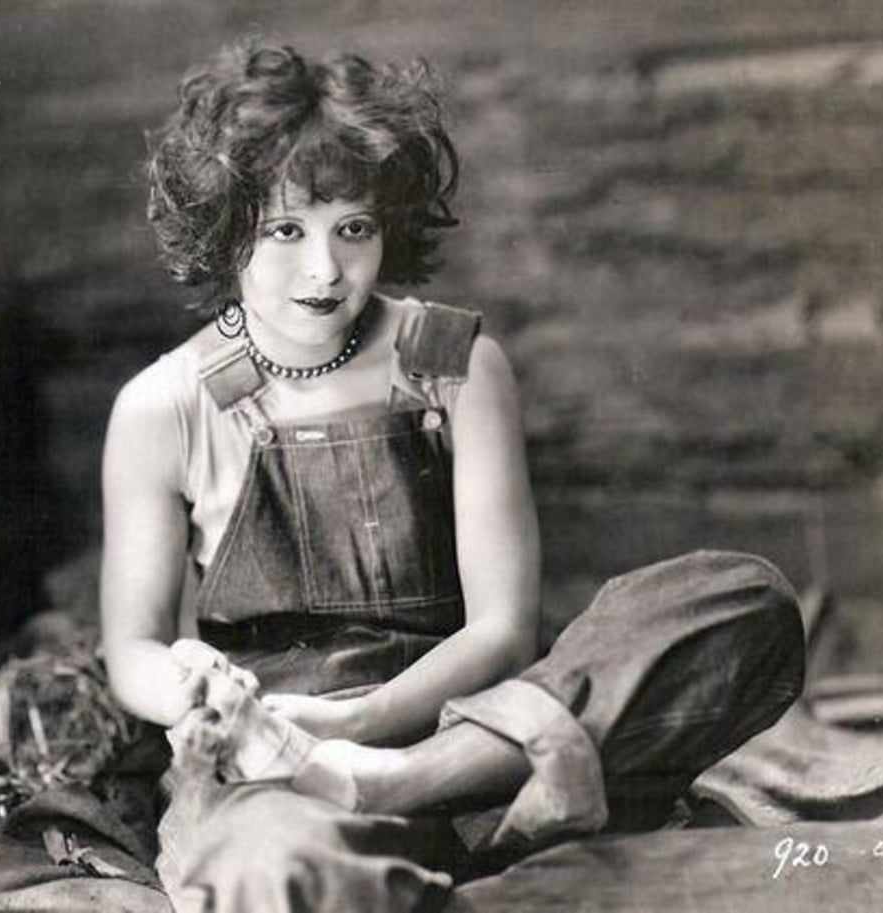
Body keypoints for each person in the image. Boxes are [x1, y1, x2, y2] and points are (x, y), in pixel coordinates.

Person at [100, 41, 805, 913]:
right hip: (275, 764)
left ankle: (399, 797)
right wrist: (195, 685)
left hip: (472, 738)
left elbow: (503, 633)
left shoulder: (458, 366)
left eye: (352, 228)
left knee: (745, 602)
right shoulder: (160, 406)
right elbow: (130, 646)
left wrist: (364, 741)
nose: (324, 270)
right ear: (226, 224)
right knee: (276, 866)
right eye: (286, 230)